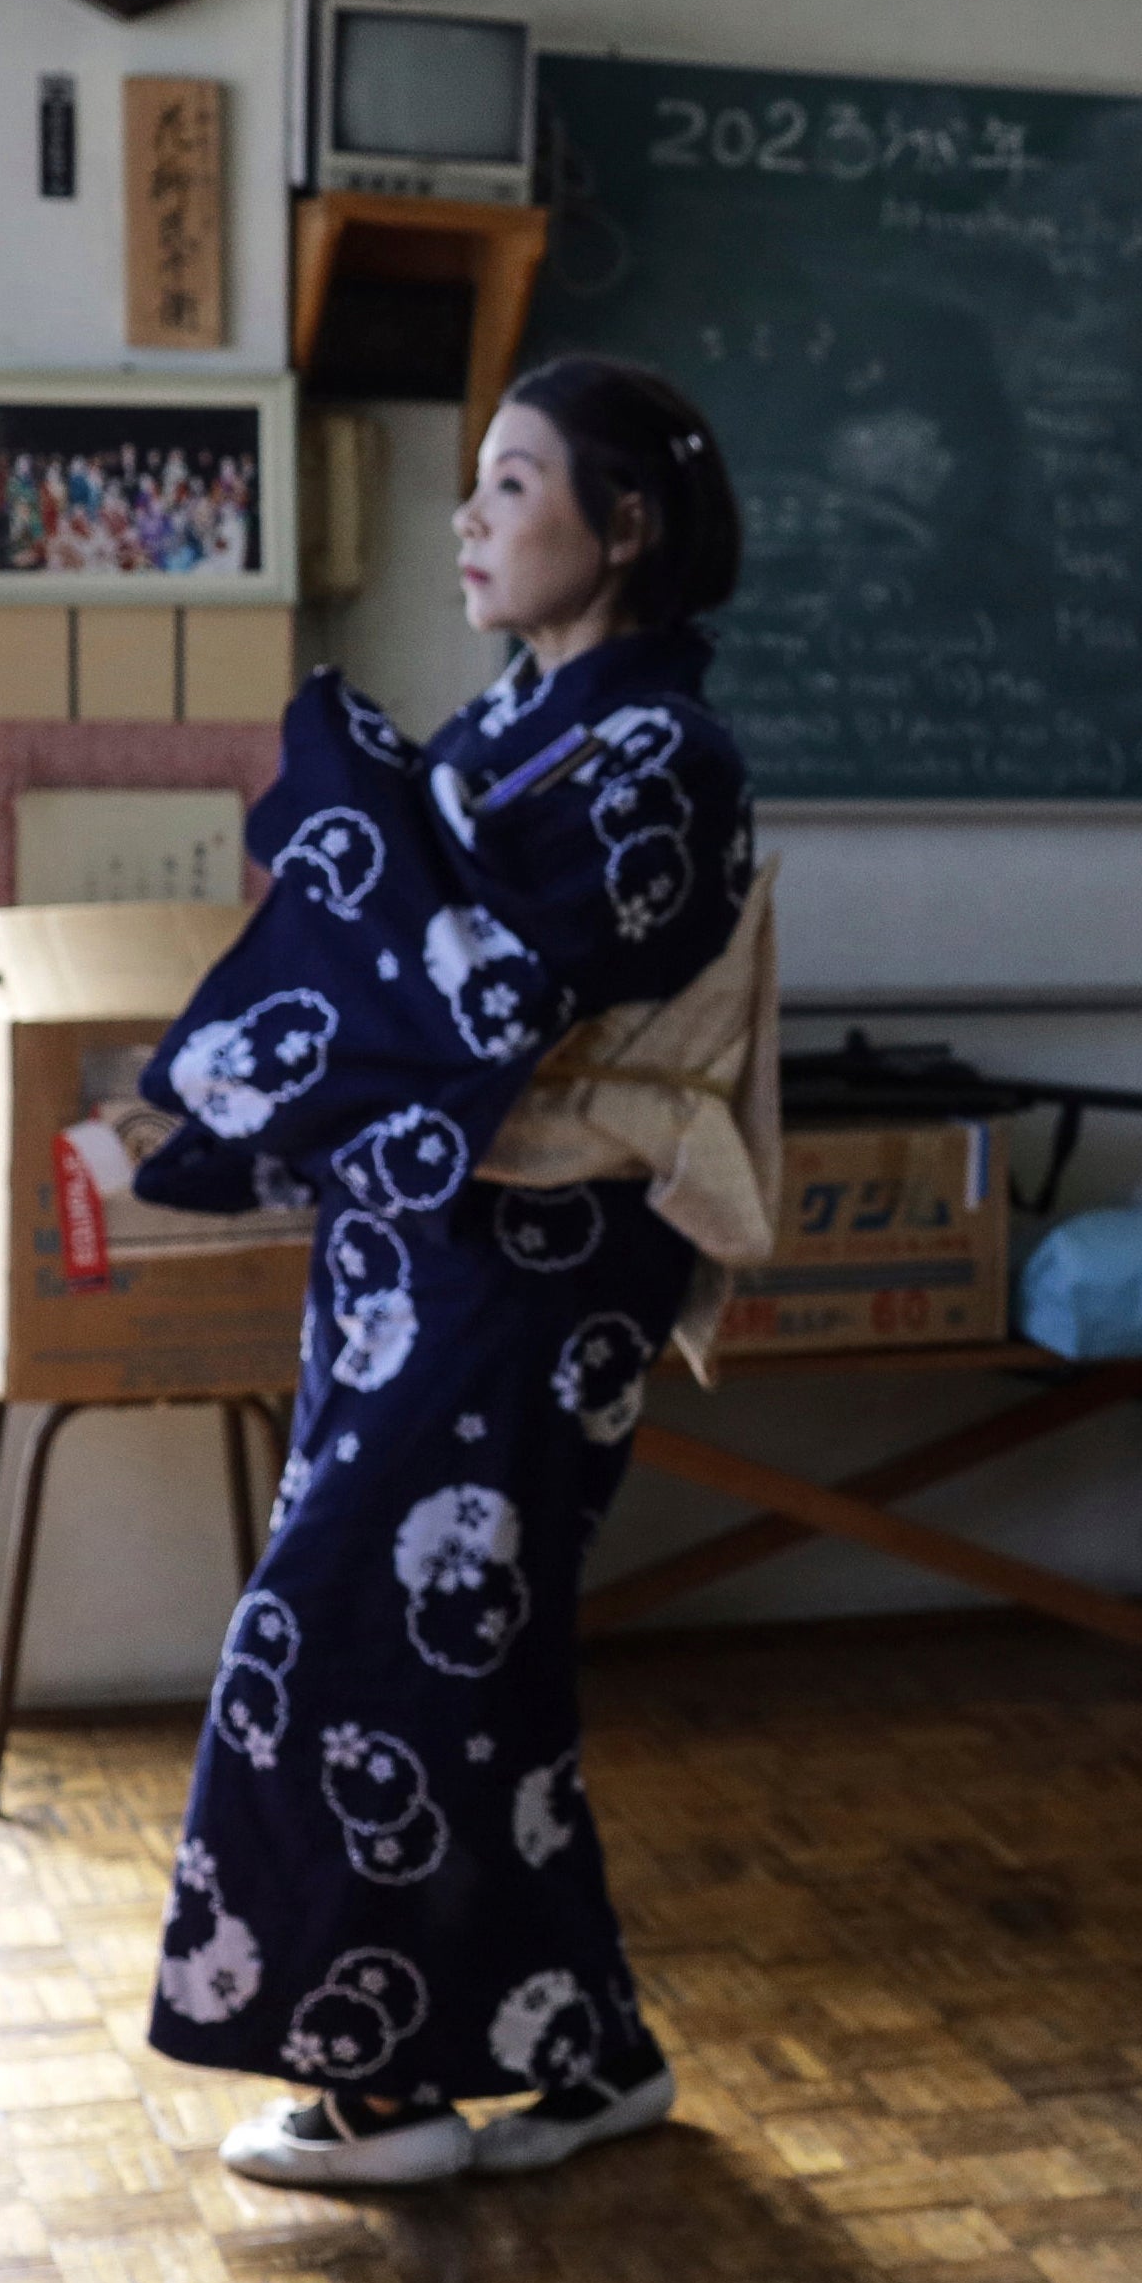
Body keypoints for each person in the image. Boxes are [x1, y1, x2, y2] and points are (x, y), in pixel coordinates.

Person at [135, 356, 760, 2189]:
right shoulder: (519, 724)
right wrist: (371, 837)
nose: (468, 520)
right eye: (476, 483)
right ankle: (582, 2053)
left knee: (345, 1627)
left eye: (511, 485)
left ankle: (378, 2092)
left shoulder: (665, 758)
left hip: (539, 1265)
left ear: (624, 525)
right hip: (426, 1252)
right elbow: (389, 949)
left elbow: (475, 991)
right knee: (475, 1658)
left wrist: (362, 812)